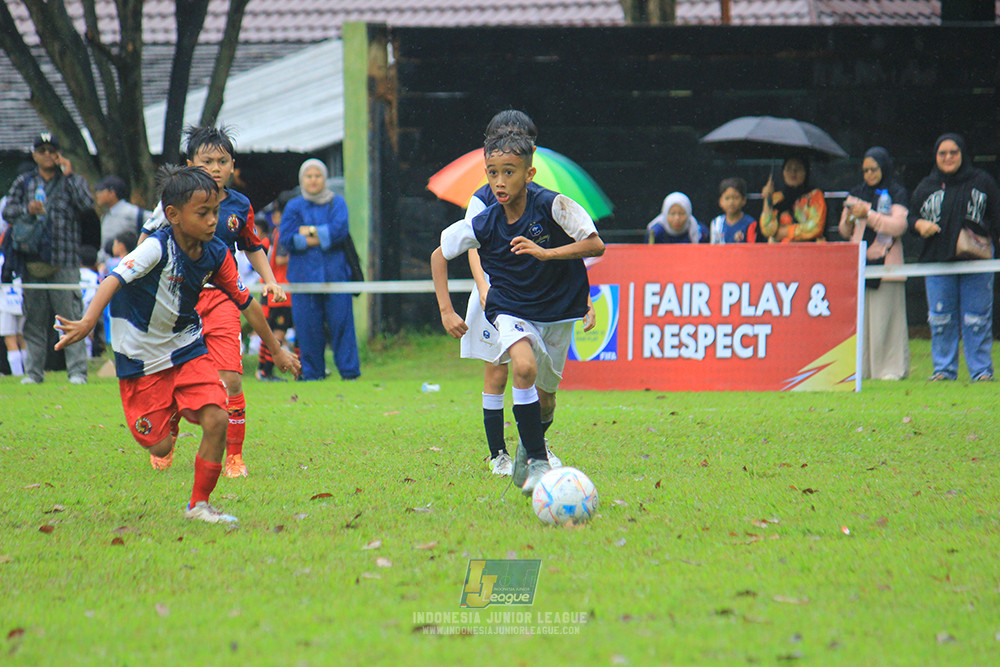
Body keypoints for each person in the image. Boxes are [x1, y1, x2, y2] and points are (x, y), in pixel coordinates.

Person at [54, 165, 300, 524]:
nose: (213, 220)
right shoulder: (156, 247)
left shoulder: (216, 253)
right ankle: (170, 413)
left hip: (185, 345)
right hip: (141, 357)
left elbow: (245, 301)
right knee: (161, 445)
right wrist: (89, 321)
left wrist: (276, 350)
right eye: (203, 213)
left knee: (217, 417)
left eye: (215, 211)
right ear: (173, 215)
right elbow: (112, 279)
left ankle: (199, 504)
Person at [430, 131, 605, 495]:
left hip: (557, 310)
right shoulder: (485, 220)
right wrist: (446, 311)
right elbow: (438, 255)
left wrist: (546, 254)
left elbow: (595, 244)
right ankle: (537, 461)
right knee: (522, 367)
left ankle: (529, 448)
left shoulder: (554, 205)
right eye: (491, 172)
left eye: (508, 172)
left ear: (529, 173)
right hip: (509, 306)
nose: (498, 181)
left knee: (547, 398)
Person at [140, 125, 286, 477]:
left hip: (222, 298)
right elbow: (146, 240)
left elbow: (252, 245)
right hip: (177, 300)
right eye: (207, 161)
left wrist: (269, 281)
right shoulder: (172, 203)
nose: (216, 168)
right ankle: (169, 434)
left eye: (223, 161)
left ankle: (234, 457)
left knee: (231, 380)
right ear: (191, 163)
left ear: (232, 165)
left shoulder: (240, 206)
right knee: (174, 377)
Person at [461, 110, 593, 476]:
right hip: (495, 295)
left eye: (518, 136)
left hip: (536, 296)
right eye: (501, 136)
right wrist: (484, 288)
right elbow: (468, 247)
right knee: (499, 372)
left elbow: (579, 244)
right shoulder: (482, 197)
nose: (509, 141)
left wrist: (584, 299)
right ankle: (497, 454)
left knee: (536, 381)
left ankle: (534, 448)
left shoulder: (543, 196)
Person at [2, 133, 94, 385]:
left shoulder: (70, 181)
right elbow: (8, 210)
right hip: (32, 260)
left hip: (65, 260)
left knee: (71, 316)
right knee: (34, 319)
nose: (47, 154)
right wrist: (26, 210)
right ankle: (33, 373)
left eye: (51, 150)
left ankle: (77, 372)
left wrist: (70, 175)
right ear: (34, 154)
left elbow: (87, 205)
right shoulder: (24, 182)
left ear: (58, 154)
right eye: (41, 150)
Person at [908, 133, 1000, 382]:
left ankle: (981, 371)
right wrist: (919, 225)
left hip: (977, 261)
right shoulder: (927, 186)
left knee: (977, 318)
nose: (948, 158)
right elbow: (911, 217)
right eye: (942, 153)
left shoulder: (982, 181)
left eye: (953, 152)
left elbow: (996, 217)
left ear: (963, 154)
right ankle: (943, 370)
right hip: (938, 261)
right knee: (940, 319)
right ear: (935, 156)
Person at [278, 159, 361, 381]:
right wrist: (320, 237)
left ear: (324, 179)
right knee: (307, 329)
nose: (313, 180)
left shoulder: (337, 203)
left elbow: (339, 231)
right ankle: (312, 374)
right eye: (309, 176)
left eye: (317, 176)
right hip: (303, 278)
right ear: (302, 179)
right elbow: (286, 237)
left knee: (342, 326)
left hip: (336, 276)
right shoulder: (294, 206)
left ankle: (350, 373)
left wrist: (307, 233)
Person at [838, 147, 910, 380]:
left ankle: (890, 370)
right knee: (863, 322)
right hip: (859, 267)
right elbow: (844, 230)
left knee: (886, 322)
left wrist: (868, 214)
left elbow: (898, 226)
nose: (869, 174)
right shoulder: (856, 194)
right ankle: (863, 370)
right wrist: (850, 217)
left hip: (888, 266)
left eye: (874, 169)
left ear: (884, 168)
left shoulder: (897, 193)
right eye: (865, 170)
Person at [256, 196, 294, 382]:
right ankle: (267, 371)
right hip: (281, 292)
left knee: (271, 331)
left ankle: (262, 369)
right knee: (278, 331)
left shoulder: (275, 233)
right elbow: (280, 259)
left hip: (273, 290)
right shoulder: (284, 234)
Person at [759, 155, 827, 242]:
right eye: (788, 168)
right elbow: (768, 230)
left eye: (798, 169)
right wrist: (767, 199)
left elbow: (815, 227)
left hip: (808, 251)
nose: (793, 173)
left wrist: (785, 232)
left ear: (806, 172)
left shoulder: (815, 196)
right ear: (783, 172)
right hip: (781, 252)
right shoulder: (777, 197)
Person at [94, 175, 149, 263]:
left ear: (112, 193)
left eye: (100, 191)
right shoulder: (106, 216)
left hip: (128, 266)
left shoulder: (132, 212)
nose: (97, 194)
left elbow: (155, 221)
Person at [708, 177, 758, 244]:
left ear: (743, 200)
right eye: (727, 198)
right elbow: (713, 248)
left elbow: (752, 248)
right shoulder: (716, 223)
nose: (731, 202)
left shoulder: (750, 223)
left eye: (735, 198)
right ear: (720, 201)